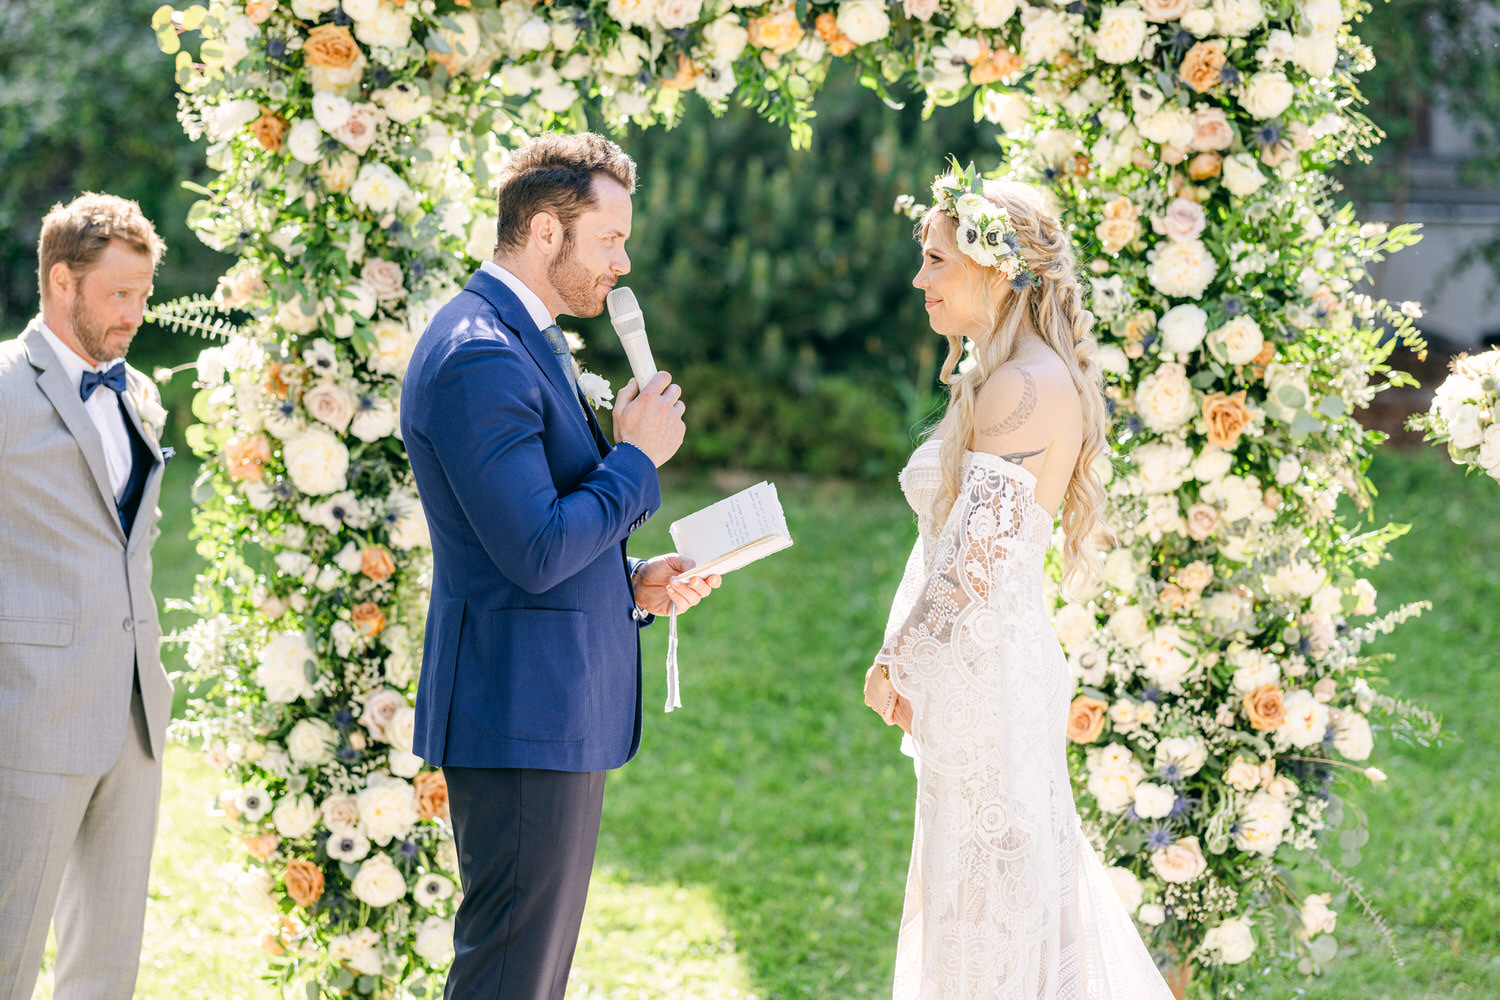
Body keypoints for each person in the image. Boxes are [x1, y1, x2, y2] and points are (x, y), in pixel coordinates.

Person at [400, 131, 721, 1000]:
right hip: (518, 713)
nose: (622, 264)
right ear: (546, 232)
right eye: (610, 240)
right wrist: (635, 459)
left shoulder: (524, 336)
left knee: (529, 976)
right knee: (509, 977)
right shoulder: (479, 353)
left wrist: (635, 581)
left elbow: (538, 535)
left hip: (542, 708)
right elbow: (535, 549)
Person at [862, 168, 1174, 999]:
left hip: (990, 678)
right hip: (977, 674)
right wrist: (908, 654)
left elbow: (974, 565)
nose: (921, 277)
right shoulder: (1006, 376)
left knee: (1000, 899)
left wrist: (898, 662)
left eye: (936, 260)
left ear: (995, 267)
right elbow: (947, 548)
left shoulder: (1025, 385)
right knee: (979, 893)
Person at [0, 193, 174, 1000]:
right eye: (120, 294)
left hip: (134, 710)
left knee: (107, 961)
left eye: (144, 294)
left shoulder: (136, 391)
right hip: (28, 713)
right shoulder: (5, 386)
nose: (137, 313)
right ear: (62, 283)